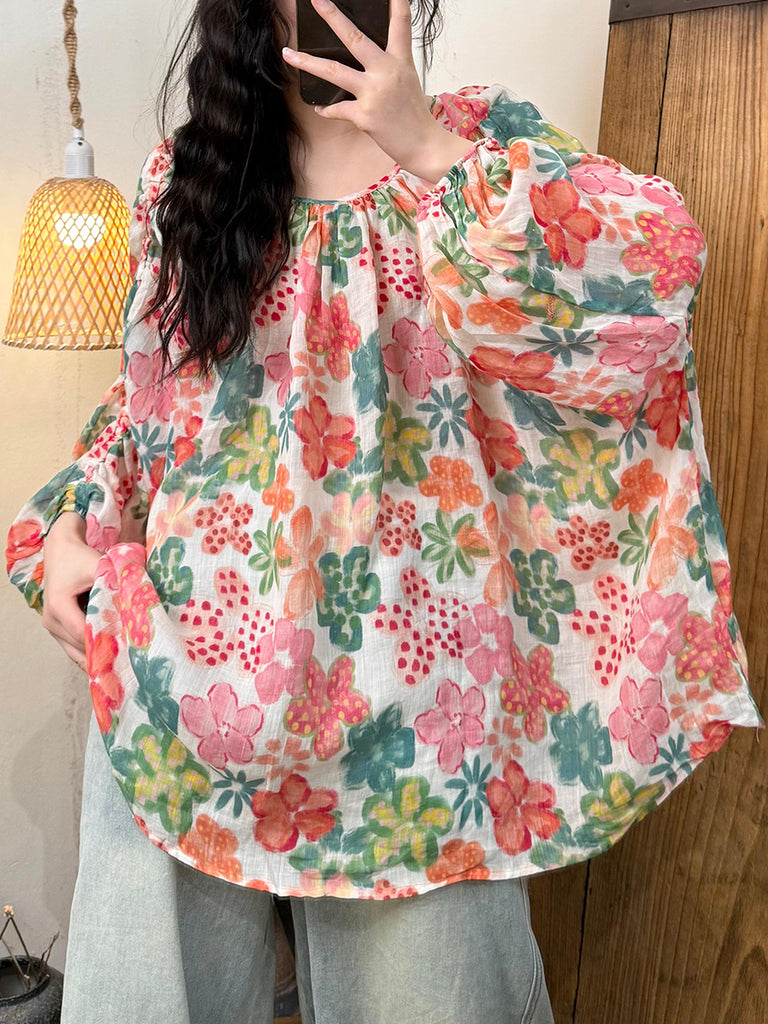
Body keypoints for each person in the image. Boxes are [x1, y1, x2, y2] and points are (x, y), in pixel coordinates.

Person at [5, 0, 764, 1021]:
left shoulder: (480, 150)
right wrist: (70, 527)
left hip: (422, 706)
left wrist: (428, 147)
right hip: (184, 677)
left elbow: (650, 288)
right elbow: (148, 413)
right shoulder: (187, 184)